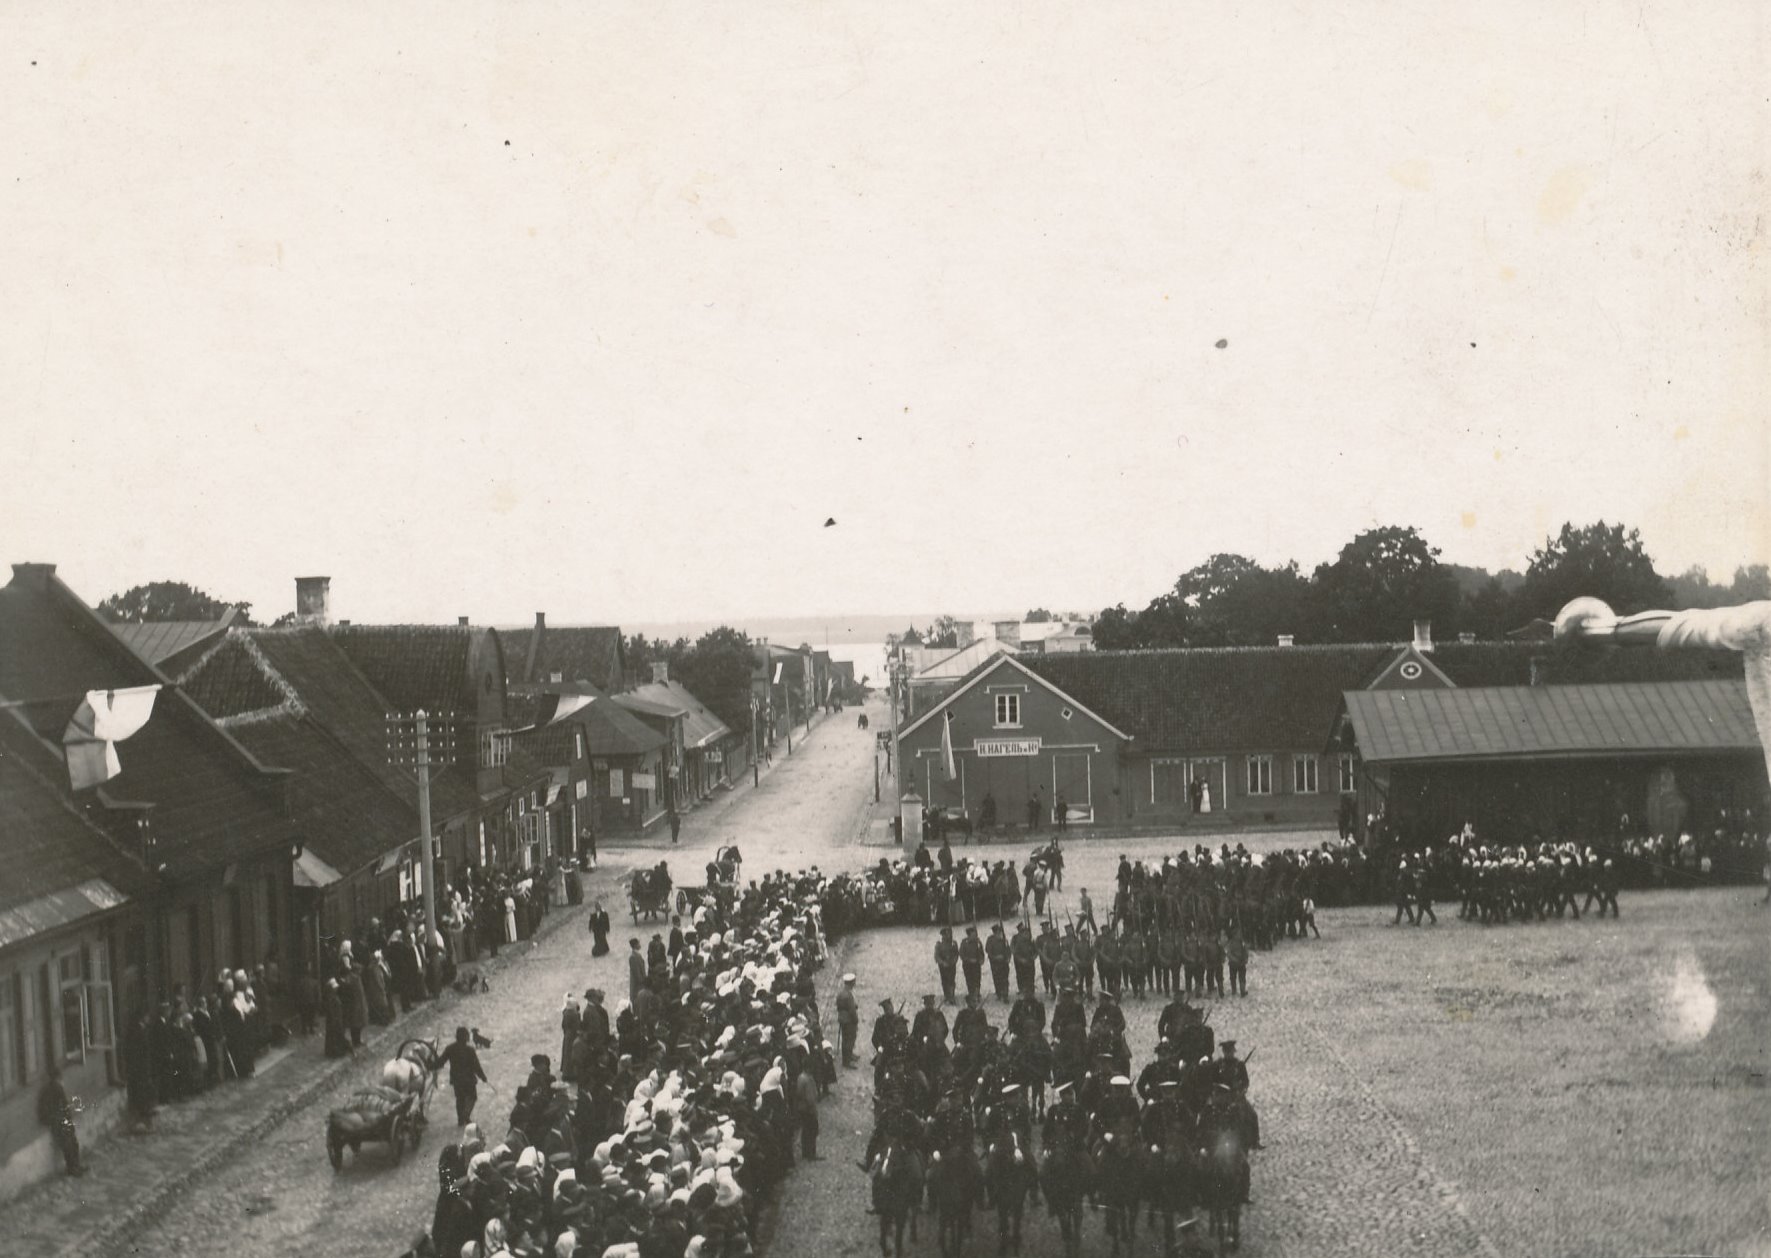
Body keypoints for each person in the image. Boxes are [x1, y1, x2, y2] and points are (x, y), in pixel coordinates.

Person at [38, 1065, 83, 1176]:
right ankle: (73, 1167)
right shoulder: (56, 1088)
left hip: (58, 1118)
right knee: (69, 1143)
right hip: (59, 1119)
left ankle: (75, 1166)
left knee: (71, 1142)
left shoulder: (50, 1088)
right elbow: (64, 1104)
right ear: (57, 1077)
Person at [440, 1025, 488, 1125]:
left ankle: (460, 1119)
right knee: (472, 1097)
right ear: (465, 1037)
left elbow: (440, 1062)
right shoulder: (470, 1050)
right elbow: (476, 1066)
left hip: (456, 1080)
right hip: (469, 1080)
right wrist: (483, 1077)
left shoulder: (450, 1048)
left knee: (460, 1099)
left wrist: (430, 1065)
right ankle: (466, 1115)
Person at [794, 1059, 822, 1159]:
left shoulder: (800, 1077)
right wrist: (814, 1110)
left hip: (802, 1108)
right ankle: (812, 1154)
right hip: (809, 1109)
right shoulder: (808, 1079)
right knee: (812, 1131)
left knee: (805, 1131)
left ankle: (805, 1153)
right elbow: (810, 1098)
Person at [836, 973, 860, 1067]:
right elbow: (852, 1011)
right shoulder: (848, 995)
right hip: (849, 1021)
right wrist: (856, 1020)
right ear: (851, 983)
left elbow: (839, 1007)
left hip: (842, 1019)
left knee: (845, 1039)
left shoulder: (841, 993)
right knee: (850, 1040)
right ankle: (847, 1061)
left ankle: (849, 1056)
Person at [934, 927, 960, 1004]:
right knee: (945, 980)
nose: (948, 936)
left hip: (952, 964)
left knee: (952, 980)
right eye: (946, 934)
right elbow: (937, 956)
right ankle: (947, 995)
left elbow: (956, 953)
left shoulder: (953, 943)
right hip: (943, 966)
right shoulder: (939, 945)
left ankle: (952, 995)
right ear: (943, 936)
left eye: (949, 934)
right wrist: (942, 962)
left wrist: (954, 961)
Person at [959, 925, 984, 999]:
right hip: (967, 964)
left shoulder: (978, 942)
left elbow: (981, 952)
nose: (974, 936)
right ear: (969, 935)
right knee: (969, 979)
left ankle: (977, 993)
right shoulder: (964, 942)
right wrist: (969, 959)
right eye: (973, 934)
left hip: (976, 964)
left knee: (977, 979)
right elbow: (961, 953)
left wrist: (981, 959)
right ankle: (971, 993)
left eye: (975, 934)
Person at [627, 938, 647, 1004]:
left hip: (640, 982)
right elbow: (637, 973)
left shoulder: (637, 954)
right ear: (635, 945)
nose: (640, 944)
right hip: (638, 984)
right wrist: (643, 981)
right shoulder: (633, 957)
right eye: (638, 943)